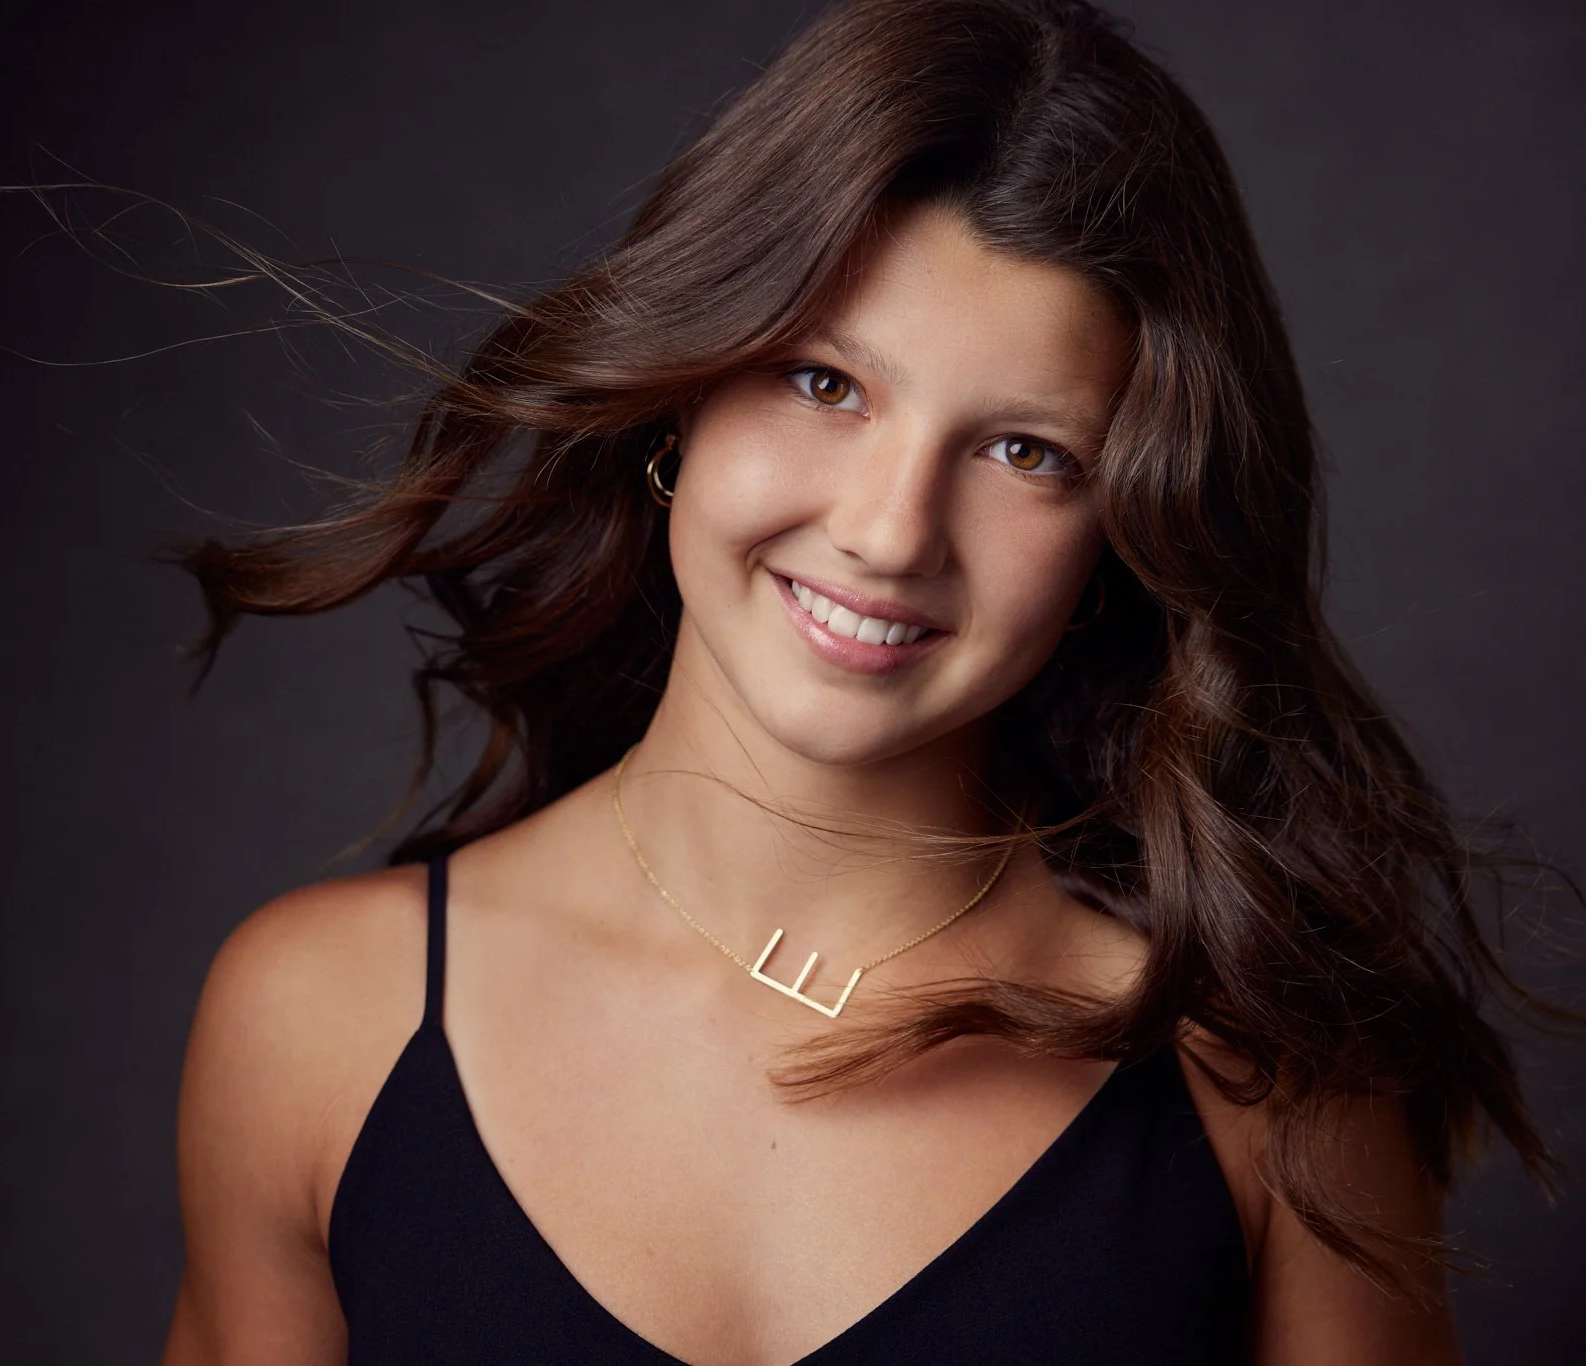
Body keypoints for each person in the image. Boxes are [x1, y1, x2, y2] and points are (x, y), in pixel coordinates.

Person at [157, 0, 1550, 1360]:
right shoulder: (320, 1016)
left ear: (1119, 541)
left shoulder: (1270, 1085)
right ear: (681, 399)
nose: (890, 530)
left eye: (1026, 452)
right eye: (827, 383)